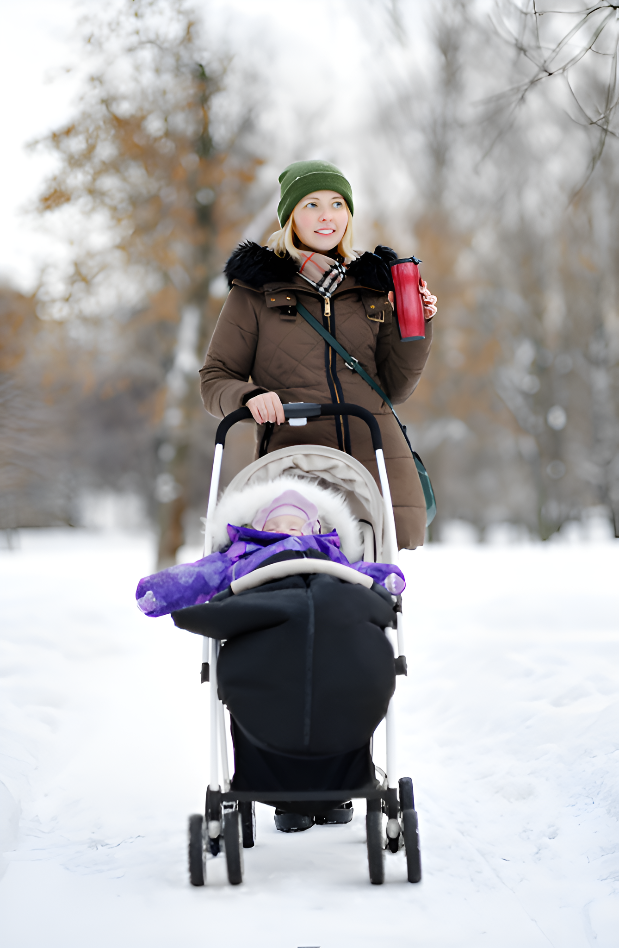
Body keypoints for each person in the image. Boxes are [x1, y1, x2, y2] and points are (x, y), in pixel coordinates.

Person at [199, 159, 437, 549]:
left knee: (372, 596)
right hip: (295, 467)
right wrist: (250, 396)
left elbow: (394, 388)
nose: (327, 216)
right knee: (296, 574)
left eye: (337, 204)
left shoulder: (373, 286)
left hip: (376, 465)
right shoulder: (257, 290)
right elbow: (214, 379)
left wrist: (417, 325)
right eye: (311, 205)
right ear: (290, 216)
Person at [136, 484, 405, 617]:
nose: (283, 531)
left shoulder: (327, 551)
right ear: (259, 528)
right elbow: (202, 574)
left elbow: (355, 572)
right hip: (258, 603)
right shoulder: (243, 551)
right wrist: (160, 591)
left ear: (313, 530)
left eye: (294, 527)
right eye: (274, 525)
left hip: (323, 602)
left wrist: (384, 577)